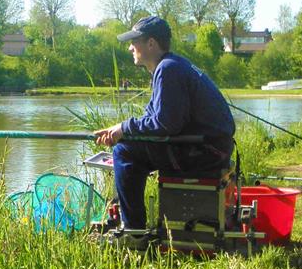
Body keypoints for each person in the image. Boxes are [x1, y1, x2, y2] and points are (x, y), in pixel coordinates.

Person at [94, 16, 235, 231]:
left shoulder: (168, 69)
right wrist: (121, 130)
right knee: (126, 144)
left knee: (124, 152)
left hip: (204, 153)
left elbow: (166, 124)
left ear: (151, 43)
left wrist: (124, 130)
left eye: (134, 42)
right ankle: (132, 224)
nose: (130, 47)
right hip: (209, 148)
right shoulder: (171, 65)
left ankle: (133, 231)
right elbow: (153, 117)